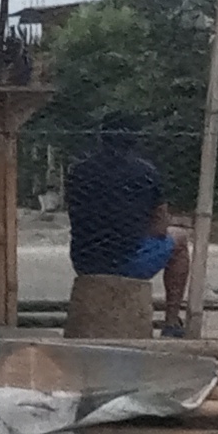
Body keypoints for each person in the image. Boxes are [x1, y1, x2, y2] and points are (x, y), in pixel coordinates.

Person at [63, 122, 194, 334]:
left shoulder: (79, 171)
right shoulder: (145, 172)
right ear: (135, 140)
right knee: (179, 239)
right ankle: (171, 322)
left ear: (101, 137)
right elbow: (160, 228)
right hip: (127, 262)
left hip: (84, 260)